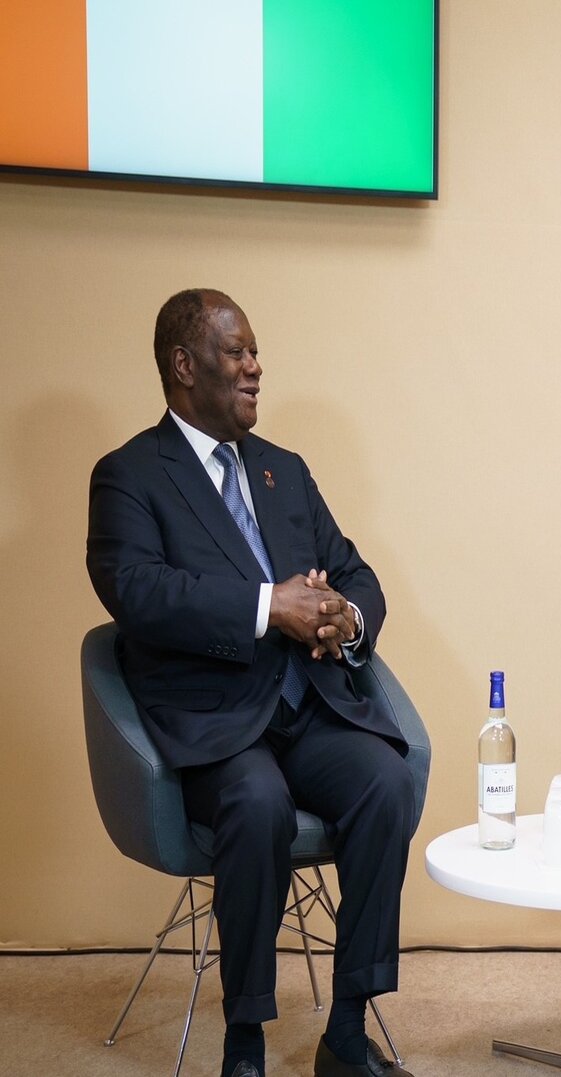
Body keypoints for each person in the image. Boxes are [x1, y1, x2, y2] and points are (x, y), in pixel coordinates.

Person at [86, 289, 416, 1077]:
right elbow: (137, 590)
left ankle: (346, 1031)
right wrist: (273, 605)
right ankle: (245, 1042)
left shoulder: (283, 471)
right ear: (182, 364)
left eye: (255, 352)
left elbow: (355, 573)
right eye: (236, 352)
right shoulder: (130, 475)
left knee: (385, 781)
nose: (255, 367)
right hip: (215, 724)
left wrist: (342, 616)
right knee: (257, 803)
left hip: (307, 707)